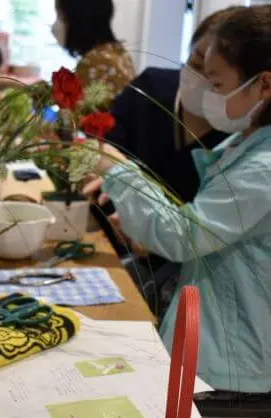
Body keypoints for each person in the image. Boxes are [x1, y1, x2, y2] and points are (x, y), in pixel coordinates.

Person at [86, 5, 271, 395]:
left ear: (263, 85)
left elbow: (186, 234)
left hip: (233, 360)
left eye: (218, 85)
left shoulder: (263, 168)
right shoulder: (249, 142)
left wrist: (116, 170)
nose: (209, 93)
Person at [94, 6, 243, 316]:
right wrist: (119, 210)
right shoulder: (149, 91)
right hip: (115, 250)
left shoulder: (237, 144)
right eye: (196, 63)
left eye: (217, 79)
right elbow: (103, 155)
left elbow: (194, 233)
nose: (202, 80)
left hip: (178, 278)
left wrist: (150, 233)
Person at [53, 0, 135, 105]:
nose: (56, 24)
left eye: (61, 17)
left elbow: (77, 117)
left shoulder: (94, 63)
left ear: (78, 19)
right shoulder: (118, 53)